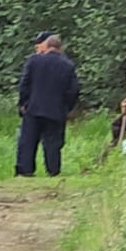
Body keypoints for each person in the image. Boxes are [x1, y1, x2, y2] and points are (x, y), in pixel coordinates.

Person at [16, 33, 80, 177]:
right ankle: (53, 170)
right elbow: (73, 90)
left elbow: (24, 84)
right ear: (60, 47)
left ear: (48, 46)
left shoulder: (34, 61)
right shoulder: (68, 65)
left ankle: (25, 171)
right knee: (53, 142)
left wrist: (23, 103)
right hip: (56, 110)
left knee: (28, 140)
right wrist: (66, 107)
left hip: (33, 108)